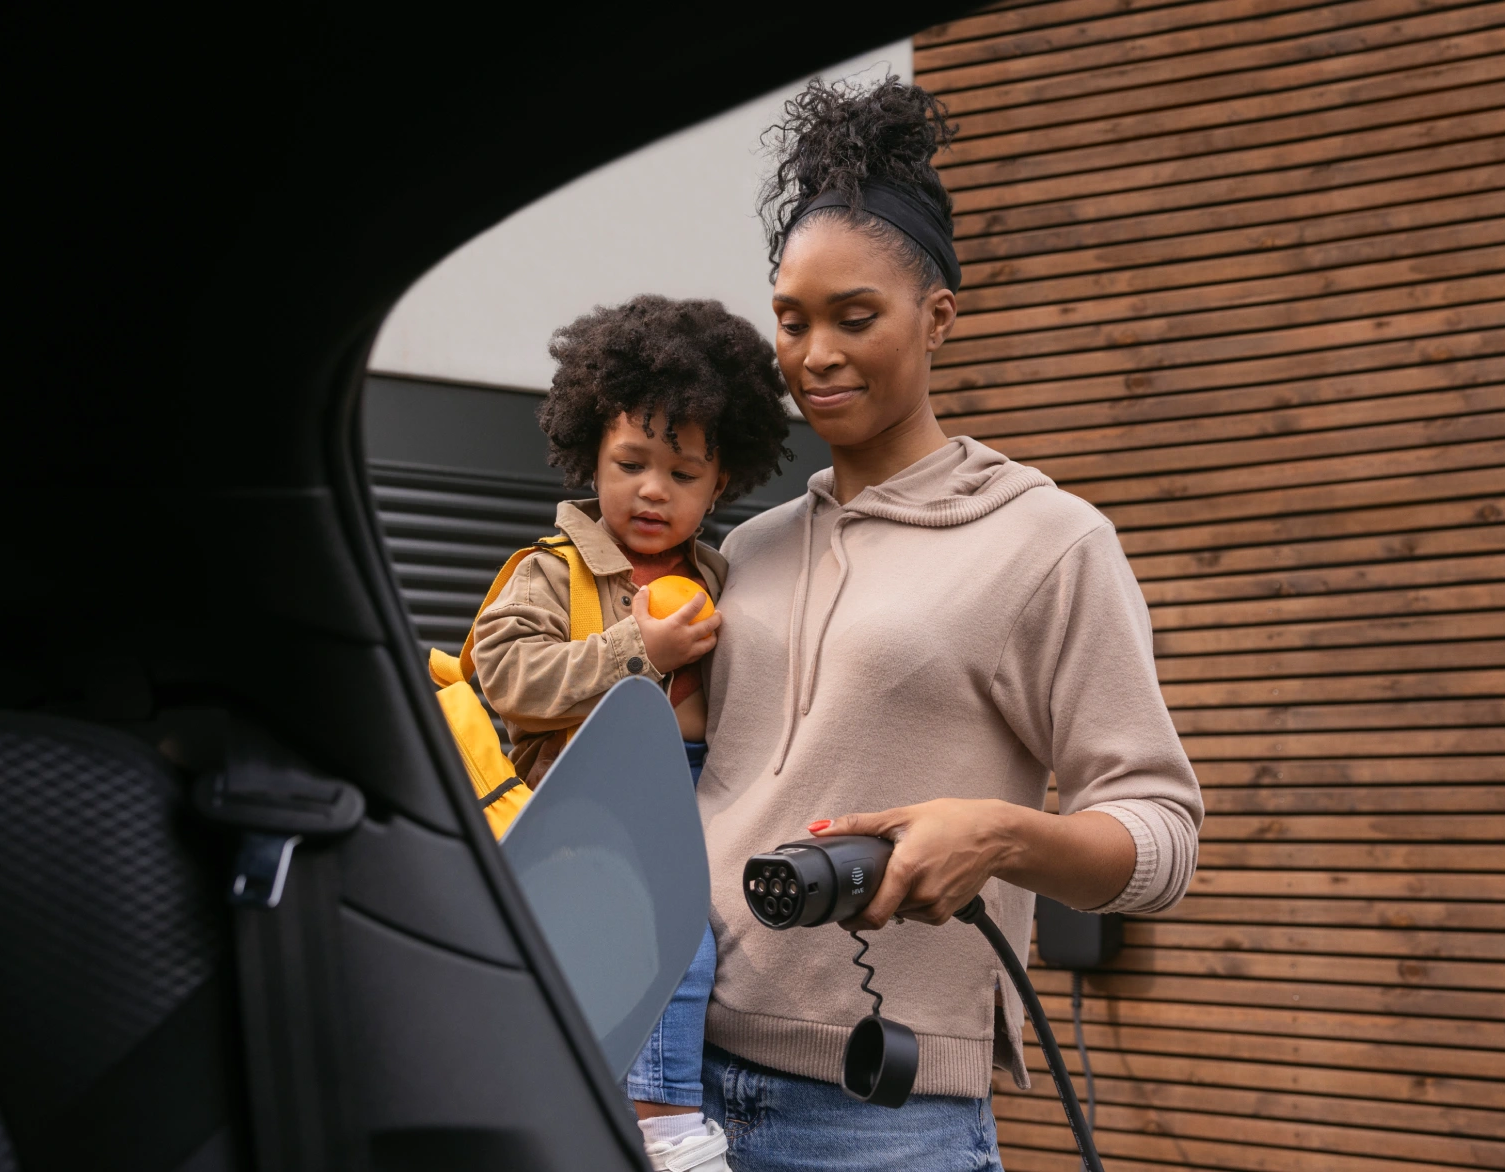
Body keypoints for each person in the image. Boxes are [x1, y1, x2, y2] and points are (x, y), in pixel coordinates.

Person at [696, 77, 1205, 1170]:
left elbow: (1161, 835)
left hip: (880, 1118)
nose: (814, 353)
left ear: (938, 317)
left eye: (854, 317)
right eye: (791, 319)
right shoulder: (748, 547)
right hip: (673, 1081)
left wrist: (1005, 836)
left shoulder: (1047, 541)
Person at [471, 294, 791, 1172]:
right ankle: (666, 1130)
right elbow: (507, 677)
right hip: (598, 789)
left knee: (702, 954)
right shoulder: (552, 570)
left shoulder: (730, 579)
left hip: (711, 794)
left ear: (722, 484)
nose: (654, 489)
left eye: (684, 475)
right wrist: (633, 652)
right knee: (665, 946)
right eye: (630, 462)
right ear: (590, 456)